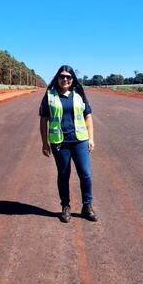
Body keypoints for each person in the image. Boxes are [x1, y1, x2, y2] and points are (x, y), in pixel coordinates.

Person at [39, 65, 98, 223]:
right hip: (60, 143)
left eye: (68, 77)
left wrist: (91, 138)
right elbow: (43, 120)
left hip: (80, 141)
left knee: (85, 174)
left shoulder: (79, 94)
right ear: (57, 78)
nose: (65, 79)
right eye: (62, 76)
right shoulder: (49, 95)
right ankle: (65, 207)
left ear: (73, 79)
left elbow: (88, 117)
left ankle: (87, 206)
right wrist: (45, 143)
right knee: (64, 175)